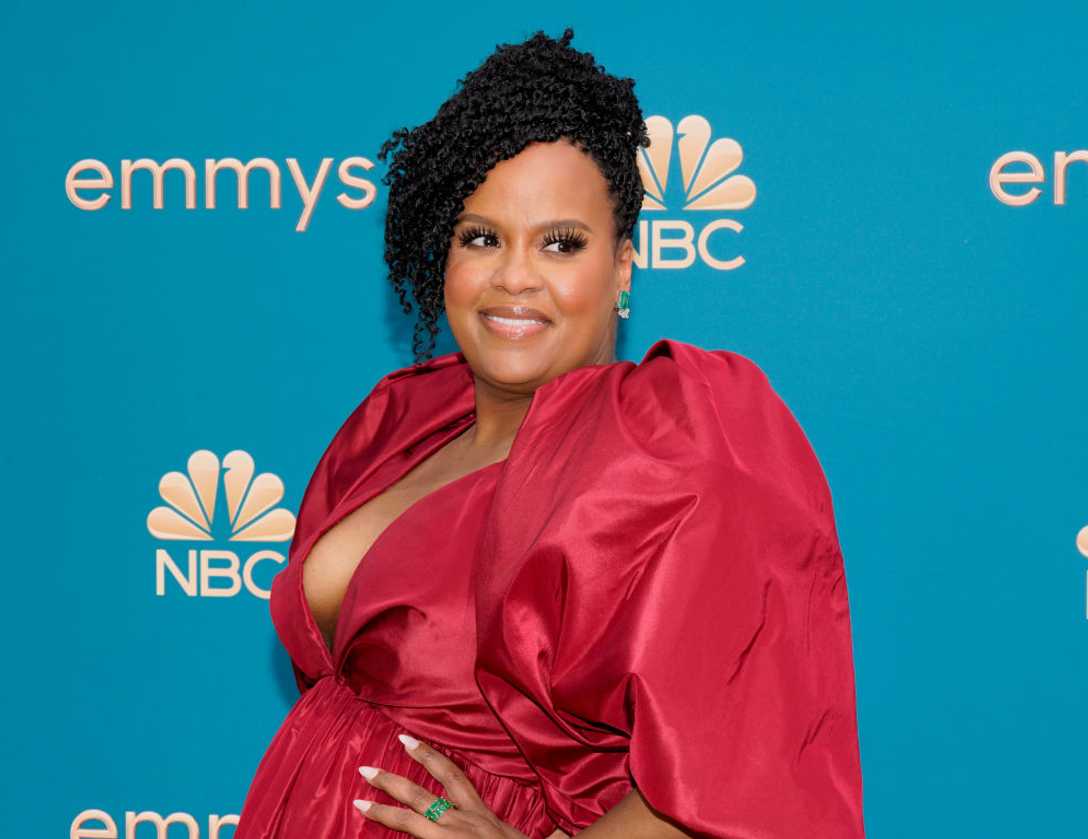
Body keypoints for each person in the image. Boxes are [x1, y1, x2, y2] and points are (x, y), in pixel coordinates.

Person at [233, 26, 865, 839]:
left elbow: (752, 772)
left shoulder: (672, 442)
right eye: (481, 236)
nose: (515, 275)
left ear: (624, 264)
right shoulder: (399, 418)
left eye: (560, 242)